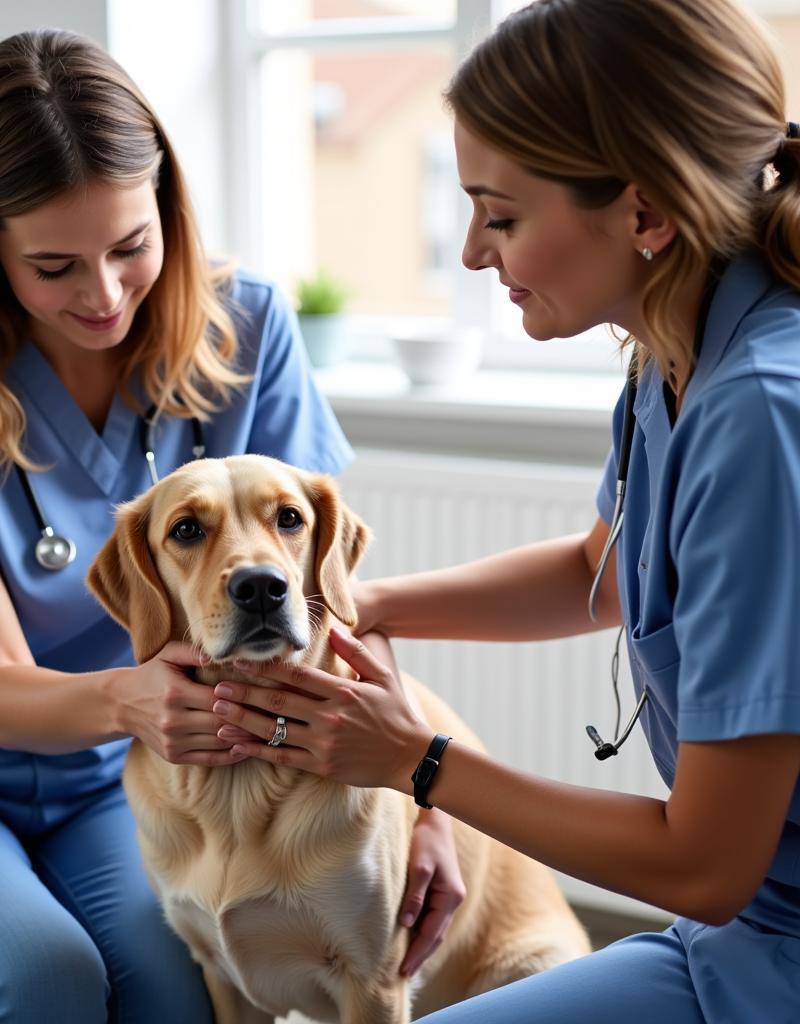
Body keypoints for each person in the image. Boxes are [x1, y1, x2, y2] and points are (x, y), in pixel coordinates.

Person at [0, 28, 463, 1024]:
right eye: (54, 264)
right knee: (42, 980)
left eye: (129, 247)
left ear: (166, 209)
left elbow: (328, 595)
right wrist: (134, 700)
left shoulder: (247, 329)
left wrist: (423, 798)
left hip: (125, 774)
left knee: (181, 997)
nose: (102, 294)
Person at [209, 0, 800, 1019]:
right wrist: (360, 604)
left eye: (503, 215)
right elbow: (600, 571)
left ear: (645, 214)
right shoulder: (675, 350)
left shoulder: (758, 415)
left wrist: (419, 762)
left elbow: (706, 864)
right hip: (741, 930)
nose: (476, 254)